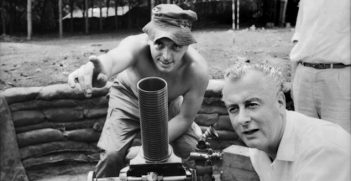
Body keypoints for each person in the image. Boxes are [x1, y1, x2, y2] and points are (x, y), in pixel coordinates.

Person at [67, 4, 209, 177]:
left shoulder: (197, 70)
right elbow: (113, 59)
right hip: (128, 97)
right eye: (159, 44)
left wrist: (144, 151)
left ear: (187, 45)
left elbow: (184, 117)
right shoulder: (135, 45)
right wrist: (98, 69)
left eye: (176, 46)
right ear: (149, 38)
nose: (166, 56)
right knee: (112, 156)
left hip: (167, 104)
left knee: (191, 151)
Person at [221, 62, 350, 181]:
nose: (242, 119)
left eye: (252, 105)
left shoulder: (323, 152)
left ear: (280, 102)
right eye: (233, 109)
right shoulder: (260, 145)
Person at [289, 0, 351, 132]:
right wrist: (294, 80)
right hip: (303, 74)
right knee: (305, 139)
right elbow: (299, 39)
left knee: (339, 141)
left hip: (338, 76)